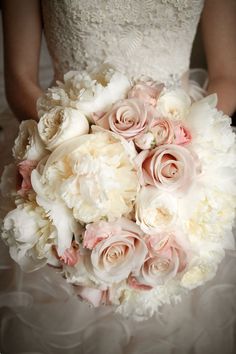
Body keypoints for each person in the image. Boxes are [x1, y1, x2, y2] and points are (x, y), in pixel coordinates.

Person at [0, 1, 236, 353]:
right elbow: (20, 78)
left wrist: (173, 148)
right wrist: (76, 146)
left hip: (181, 153)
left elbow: (227, 76)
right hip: (68, 159)